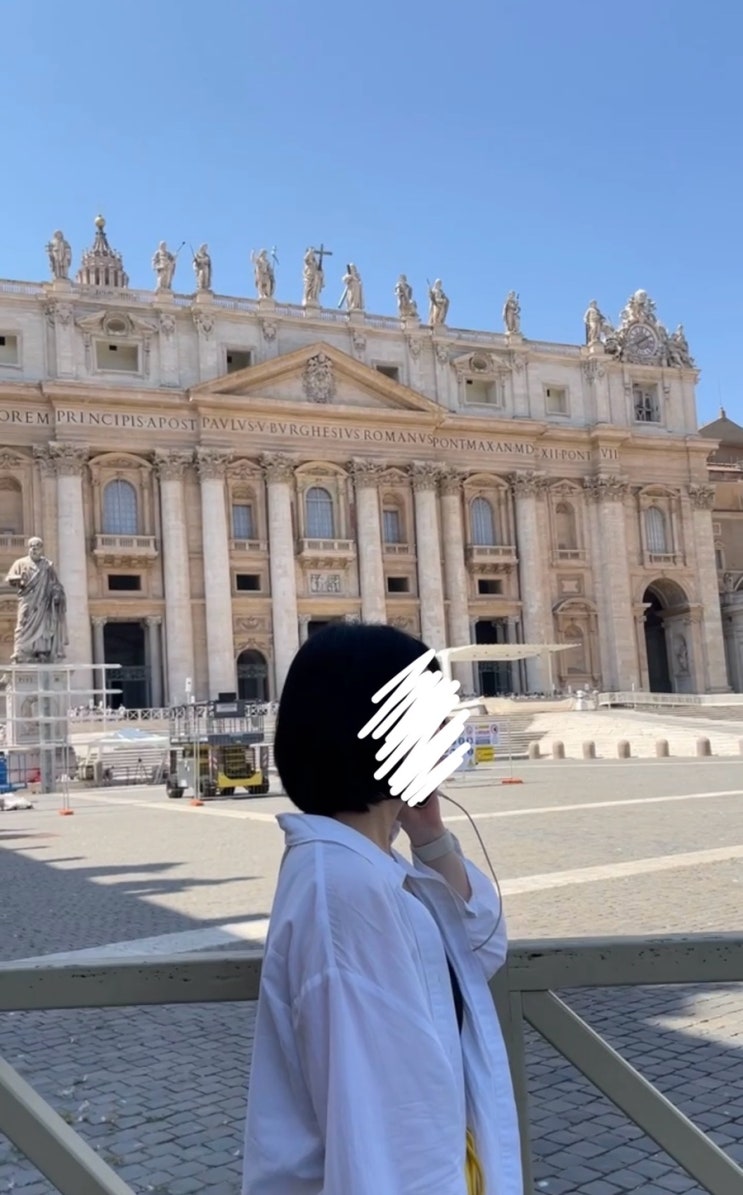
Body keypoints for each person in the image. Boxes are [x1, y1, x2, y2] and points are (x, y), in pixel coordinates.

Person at [242, 622, 522, 1195]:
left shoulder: (371, 863)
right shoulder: (346, 891)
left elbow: (477, 950)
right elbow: (386, 1135)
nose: (451, 733)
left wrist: (430, 835)